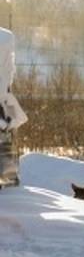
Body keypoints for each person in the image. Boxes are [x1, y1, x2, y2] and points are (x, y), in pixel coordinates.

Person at [1, 27, 28, 188]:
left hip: (4, 103)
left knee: (6, 138)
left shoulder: (5, 38)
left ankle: (9, 179)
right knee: (6, 140)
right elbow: (9, 74)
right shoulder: (6, 38)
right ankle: (9, 179)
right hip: (4, 102)